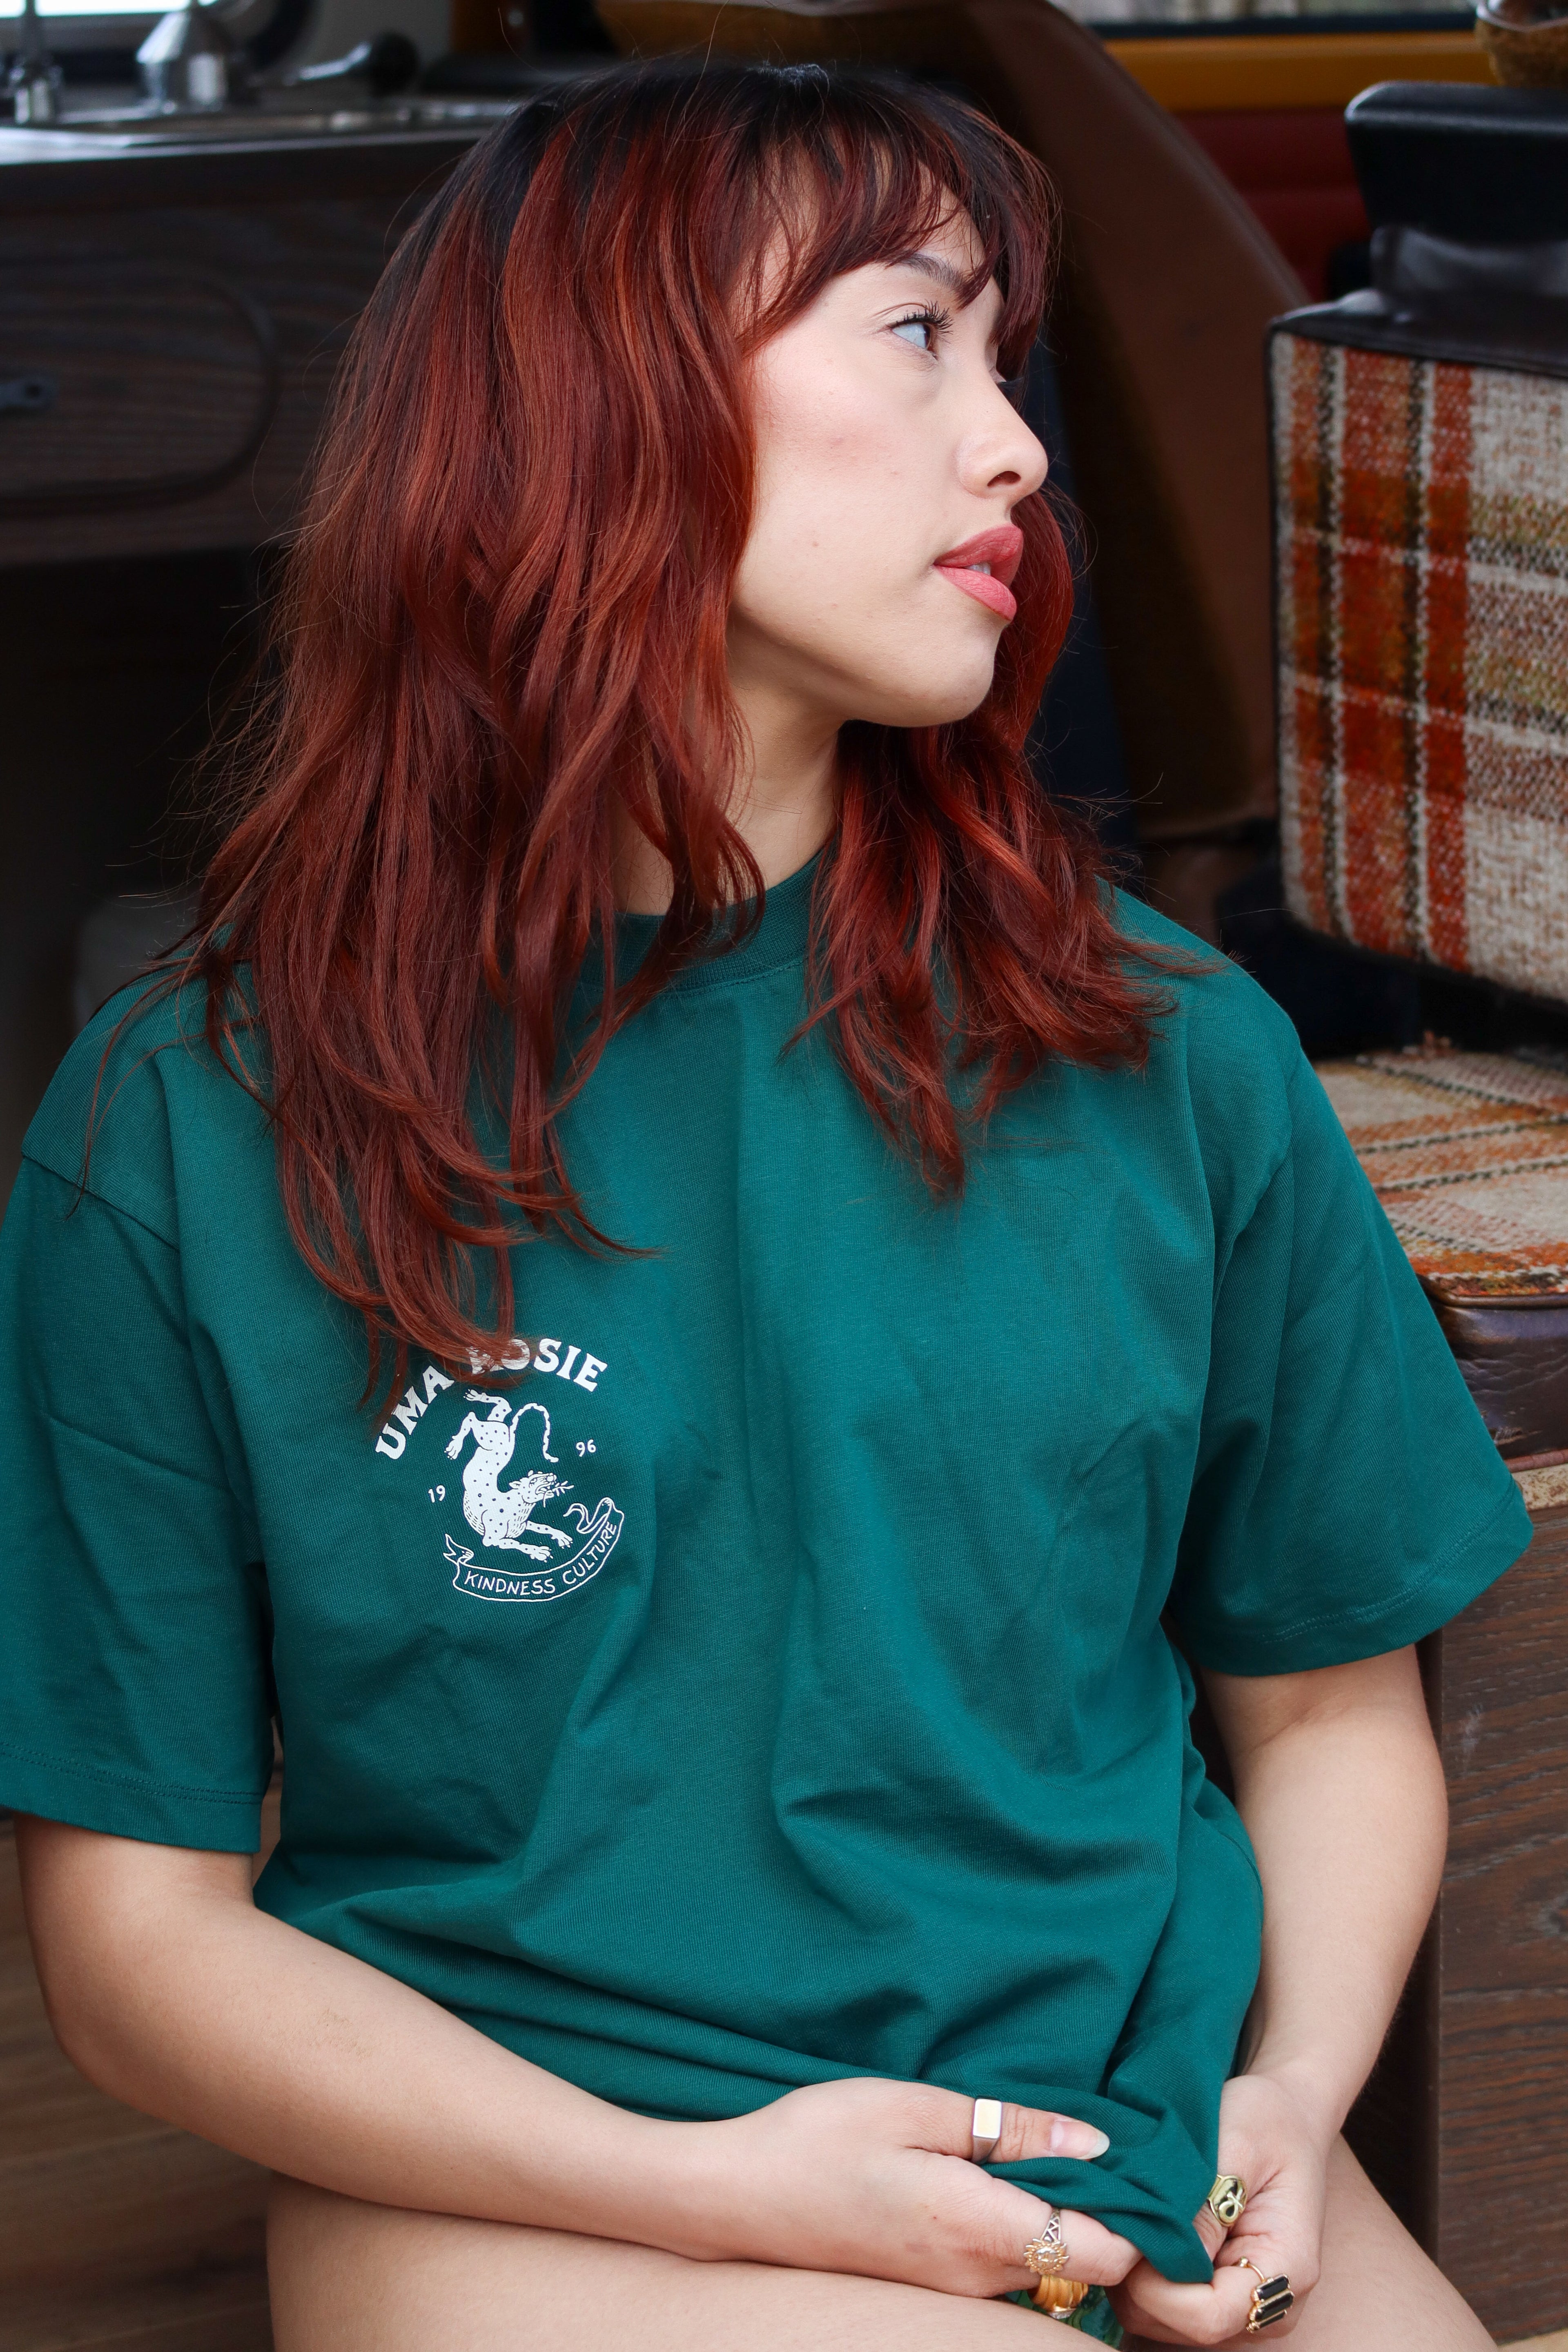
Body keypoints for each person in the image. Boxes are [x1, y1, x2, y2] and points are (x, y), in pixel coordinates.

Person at [0, 62, 1528, 2352]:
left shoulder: (1168, 1048)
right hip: (554, 2183)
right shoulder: (189, 1118)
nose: (1017, 449)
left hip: (1130, 2170)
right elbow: (137, 1945)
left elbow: (1322, 1710)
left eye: (1008, 357)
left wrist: (1292, 2103)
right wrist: (708, 2189)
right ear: (601, 398)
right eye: (917, 333)